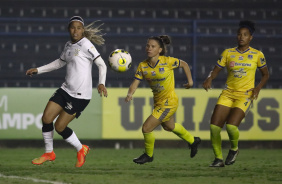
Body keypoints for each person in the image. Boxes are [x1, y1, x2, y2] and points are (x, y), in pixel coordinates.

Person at [26, 16, 108, 167]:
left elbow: (102, 64)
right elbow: (59, 62)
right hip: (65, 90)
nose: (75, 30)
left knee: (59, 127)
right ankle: (49, 153)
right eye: (72, 27)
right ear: (68, 29)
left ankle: (81, 148)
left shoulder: (86, 45)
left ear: (83, 30)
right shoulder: (68, 45)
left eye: (78, 28)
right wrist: (38, 70)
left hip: (80, 96)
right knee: (46, 118)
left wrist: (101, 83)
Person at [125, 35, 201, 164]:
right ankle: (193, 141)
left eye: (153, 46)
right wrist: (130, 93)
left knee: (146, 128)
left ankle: (148, 155)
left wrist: (190, 81)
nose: (149, 48)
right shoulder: (143, 66)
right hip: (158, 102)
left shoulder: (167, 61)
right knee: (169, 126)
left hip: (169, 102)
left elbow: (184, 64)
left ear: (159, 50)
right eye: (148, 45)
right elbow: (135, 82)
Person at [202, 20, 269, 167]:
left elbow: (265, 74)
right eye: (239, 34)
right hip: (228, 93)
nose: (241, 37)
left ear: (250, 37)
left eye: (245, 35)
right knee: (214, 127)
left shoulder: (257, 55)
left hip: (245, 95)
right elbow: (216, 69)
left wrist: (257, 88)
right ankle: (218, 159)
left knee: (231, 127)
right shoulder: (228, 53)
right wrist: (209, 78)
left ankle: (234, 149)